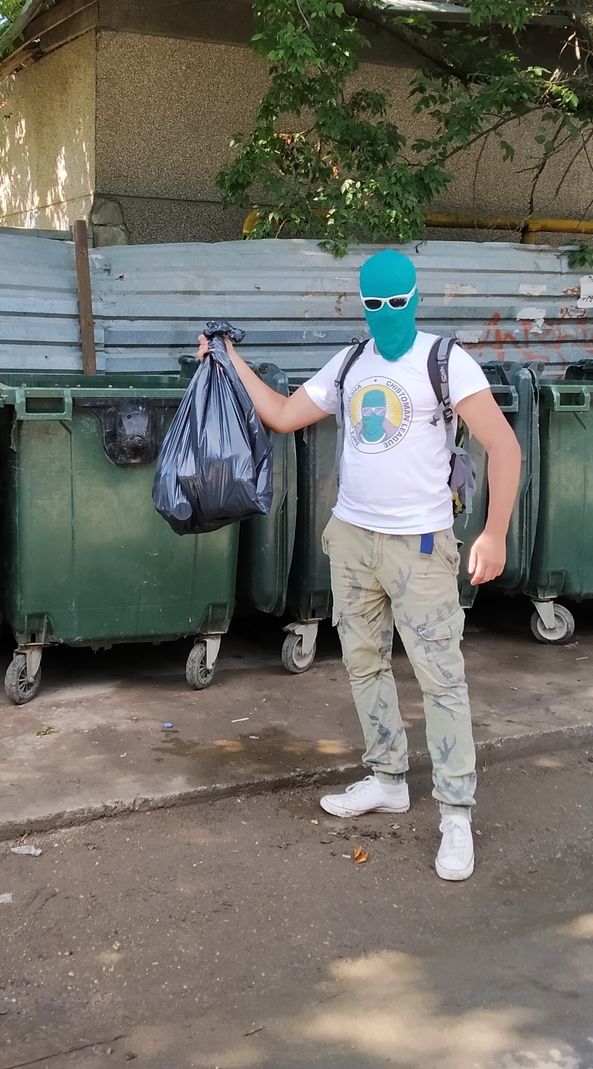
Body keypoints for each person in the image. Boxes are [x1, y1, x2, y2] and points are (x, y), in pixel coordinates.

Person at [199, 249, 521, 881]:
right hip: (351, 539)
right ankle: (387, 777)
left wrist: (495, 533)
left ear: (414, 298)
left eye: (395, 303)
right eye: (374, 305)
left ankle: (456, 813)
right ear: (361, 303)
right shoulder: (350, 362)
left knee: (440, 678)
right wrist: (229, 359)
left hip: (421, 546)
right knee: (363, 663)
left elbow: (504, 446)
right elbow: (285, 415)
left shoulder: (445, 361)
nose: (385, 315)